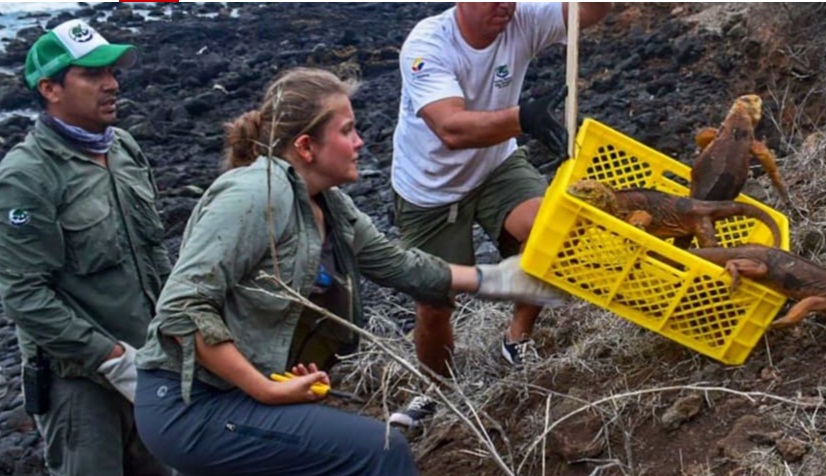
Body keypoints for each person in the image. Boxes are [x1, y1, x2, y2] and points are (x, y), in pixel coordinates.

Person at [132, 67, 566, 475]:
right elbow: (182, 308)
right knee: (381, 451)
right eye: (346, 131)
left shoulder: (329, 204)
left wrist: (499, 280)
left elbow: (398, 264)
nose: (360, 142)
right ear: (306, 147)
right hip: (191, 405)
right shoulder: (252, 196)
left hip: (234, 394)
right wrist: (264, 390)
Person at [392, 1, 611, 381]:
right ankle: (437, 387)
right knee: (435, 303)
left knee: (552, 230)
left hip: (496, 167)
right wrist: (524, 117)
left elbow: (590, 11)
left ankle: (517, 339)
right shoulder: (428, 44)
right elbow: (451, 128)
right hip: (431, 189)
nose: (505, 4)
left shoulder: (521, 19)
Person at [0, 20, 172, 476]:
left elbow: (154, 254)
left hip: (151, 364)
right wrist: (110, 358)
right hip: (79, 385)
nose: (112, 83)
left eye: (112, 71)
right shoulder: (27, 175)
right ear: (50, 89)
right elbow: (24, 296)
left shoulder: (124, 150)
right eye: (92, 74)